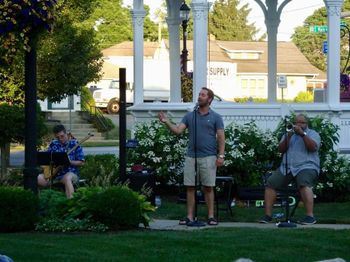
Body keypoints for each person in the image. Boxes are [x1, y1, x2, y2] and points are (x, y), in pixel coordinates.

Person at [158, 87, 225, 226]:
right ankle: (189, 216)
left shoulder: (216, 117)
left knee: (208, 187)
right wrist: (166, 122)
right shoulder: (190, 116)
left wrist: (221, 156)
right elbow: (178, 130)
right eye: (199, 94)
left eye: (203, 95)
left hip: (209, 157)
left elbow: (221, 137)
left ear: (210, 99)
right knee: (190, 187)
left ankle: (211, 216)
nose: (200, 97)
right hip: (191, 157)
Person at [259, 114, 321, 225]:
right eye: (296, 122)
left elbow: (313, 148)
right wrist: (289, 136)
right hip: (287, 167)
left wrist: (303, 135)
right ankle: (268, 216)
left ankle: (310, 216)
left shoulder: (313, 134)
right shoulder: (288, 134)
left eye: (302, 122)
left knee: (304, 183)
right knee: (270, 183)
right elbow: (281, 149)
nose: (299, 124)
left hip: (306, 166)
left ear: (307, 124)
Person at [37, 124, 85, 198]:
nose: (60, 139)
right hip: (54, 175)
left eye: (62, 136)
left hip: (71, 174)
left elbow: (81, 162)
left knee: (67, 178)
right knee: (37, 178)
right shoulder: (54, 144)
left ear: (66, 134)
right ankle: (39, 202)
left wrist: (69, 161)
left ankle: (70, 204)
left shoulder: (75, 143)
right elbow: (48, 159)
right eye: (57, 137)